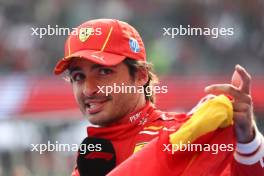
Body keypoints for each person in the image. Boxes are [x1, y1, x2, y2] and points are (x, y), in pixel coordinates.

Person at [54, 19, 264, 176]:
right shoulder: (92, 155)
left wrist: (248, 141)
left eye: (103, 72)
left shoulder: (182, 134)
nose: (88, 89)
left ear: (140, 76)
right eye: (78, 77)